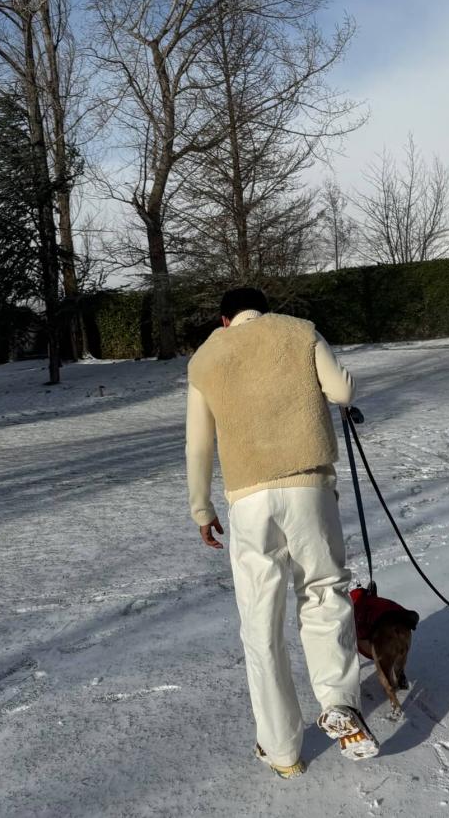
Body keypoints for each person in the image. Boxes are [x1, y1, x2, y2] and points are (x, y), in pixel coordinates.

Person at [185, 286, 379, 779]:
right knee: (322, 592)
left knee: (260, 622)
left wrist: (202, 508)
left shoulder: (206, 359)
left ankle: (281, 750)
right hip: (308, 486)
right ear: (264, 309)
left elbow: (198, 444)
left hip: (249, 501)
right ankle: (339, 701)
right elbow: (341, 392)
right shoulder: (299, 332)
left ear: (225, 320)